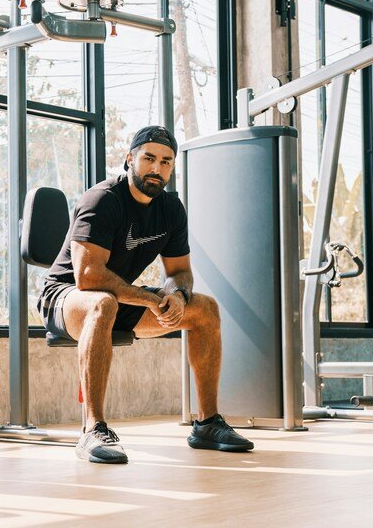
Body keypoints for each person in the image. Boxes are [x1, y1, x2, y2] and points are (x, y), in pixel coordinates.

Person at [37, 125, 254, 464]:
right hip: (66, 297)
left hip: (117, 298)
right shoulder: (102, 199)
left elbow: (179, 272)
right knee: (103, 302)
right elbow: (88, 275)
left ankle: (207, 423)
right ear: (130, 158)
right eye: (149, 158)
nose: (157, 168)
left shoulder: (170, 209)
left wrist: (177, 295)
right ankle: (92, 429)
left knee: (205, 309)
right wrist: (149, 298)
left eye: (166, 162)